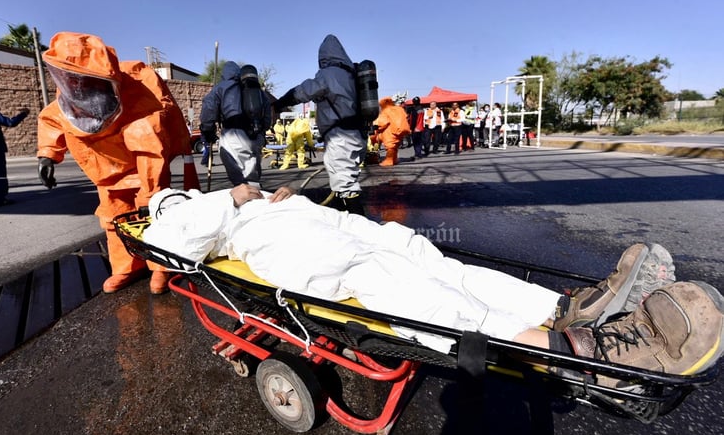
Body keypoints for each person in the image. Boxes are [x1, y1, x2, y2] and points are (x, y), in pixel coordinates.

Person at [142, 185, 724, 384]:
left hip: (319, 224)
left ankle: (572, 309)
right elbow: (177, 245)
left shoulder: (219, 199)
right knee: (396, 284)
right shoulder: (177, 209)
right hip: (288, 250)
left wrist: (281, 198)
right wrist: (228, 199)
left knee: (436, 261)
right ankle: (567, 352)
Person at [36, 31, 199, 295]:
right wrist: (47, 154)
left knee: (153, 216)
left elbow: (151, 151)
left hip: (143, 170)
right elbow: (51, 119)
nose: (79, 87)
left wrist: (150, 197)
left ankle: (160, 267)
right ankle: (126, 267)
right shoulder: (69, 96)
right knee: (113, 218)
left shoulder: (140, 95)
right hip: (105, 172)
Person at [271, 34, 368, 215]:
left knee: (345, 184)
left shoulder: (329, 74)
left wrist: (279, 103)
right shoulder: (352, 75)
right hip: (358, 134)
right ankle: (342, 217)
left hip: (341, 136)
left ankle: (360, 225)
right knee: (341, 180)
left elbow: (303, 91)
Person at [200, 62, 272, 187]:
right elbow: (267, 117)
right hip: (256, 135)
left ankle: (248, 198)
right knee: (252, 172)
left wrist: (208, 131)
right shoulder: (258, 91)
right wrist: (261, 131)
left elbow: (209, 109)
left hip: (233, 134)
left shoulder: (222, 87)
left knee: (240, 176)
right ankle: (254, 195)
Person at [372, 96, 410, 166]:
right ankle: (394, 159)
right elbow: (406, 117)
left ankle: (389, 160)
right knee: (395, 146)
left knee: (390, 146)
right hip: (399, 130)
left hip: (389, 131)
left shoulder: (386, 111)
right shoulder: (399, 109)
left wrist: (376, 127)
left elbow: (383, 122)